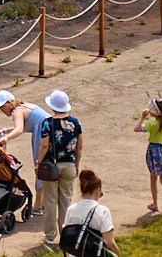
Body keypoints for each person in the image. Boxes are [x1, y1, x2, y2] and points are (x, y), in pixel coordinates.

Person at [37, 90, 86, 249]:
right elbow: (79, 147)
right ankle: (66, 237)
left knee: (50, 202)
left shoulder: (48, 122)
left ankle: (50, 238)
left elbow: (44, 144)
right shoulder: (76, 122)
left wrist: (39, 162)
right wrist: (76, 164)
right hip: (69, 165)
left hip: (52, 165)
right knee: (66, 201)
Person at [61, 170, 119, 256]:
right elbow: (110, 244)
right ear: (97, 190)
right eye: (100, 194)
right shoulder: (102, 211)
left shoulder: (71, 209)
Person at [136, 98, 162, 213]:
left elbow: (136, 128)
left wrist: (142, 117)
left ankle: (155, 204)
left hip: (154, 152)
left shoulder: (152, 124)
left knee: (153, 178)